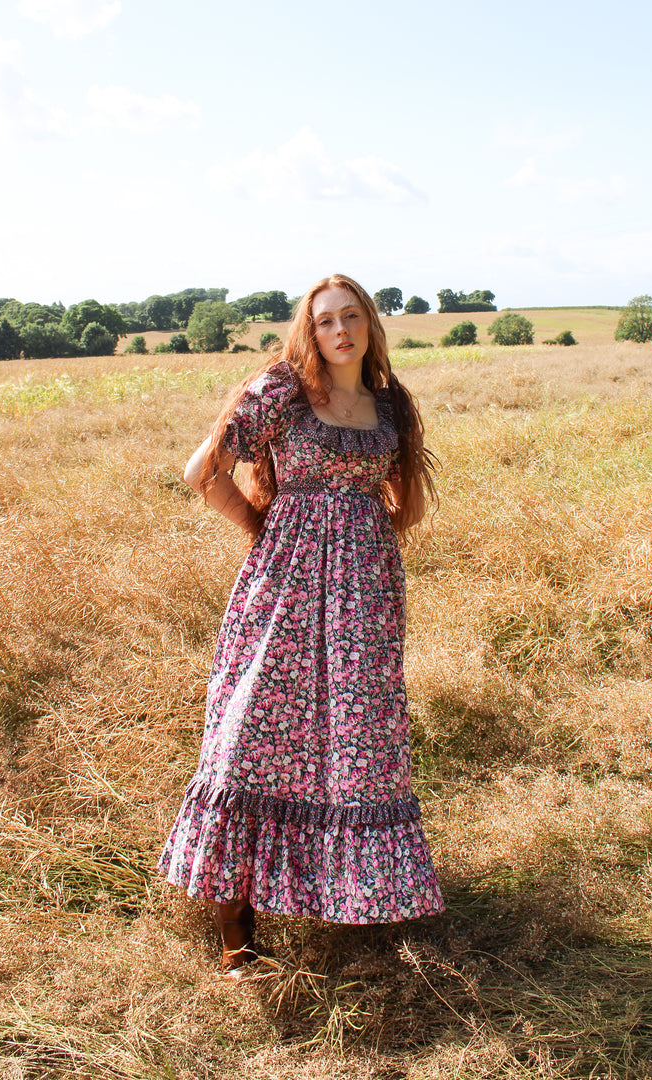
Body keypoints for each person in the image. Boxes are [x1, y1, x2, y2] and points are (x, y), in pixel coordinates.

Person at [158, 273, 445, 975]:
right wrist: (264, 526)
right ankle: (236, 937)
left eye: (352, 317)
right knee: (250, 731)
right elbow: (202, 470)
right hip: (282, 585)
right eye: (324, 322)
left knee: (356, 734)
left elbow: (405, 498)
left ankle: (348, 894)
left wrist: (364, 537)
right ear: (308, 331)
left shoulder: (391, 405)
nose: (339, 331)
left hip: (365, 596)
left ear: (372, 325)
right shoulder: (281, 391)